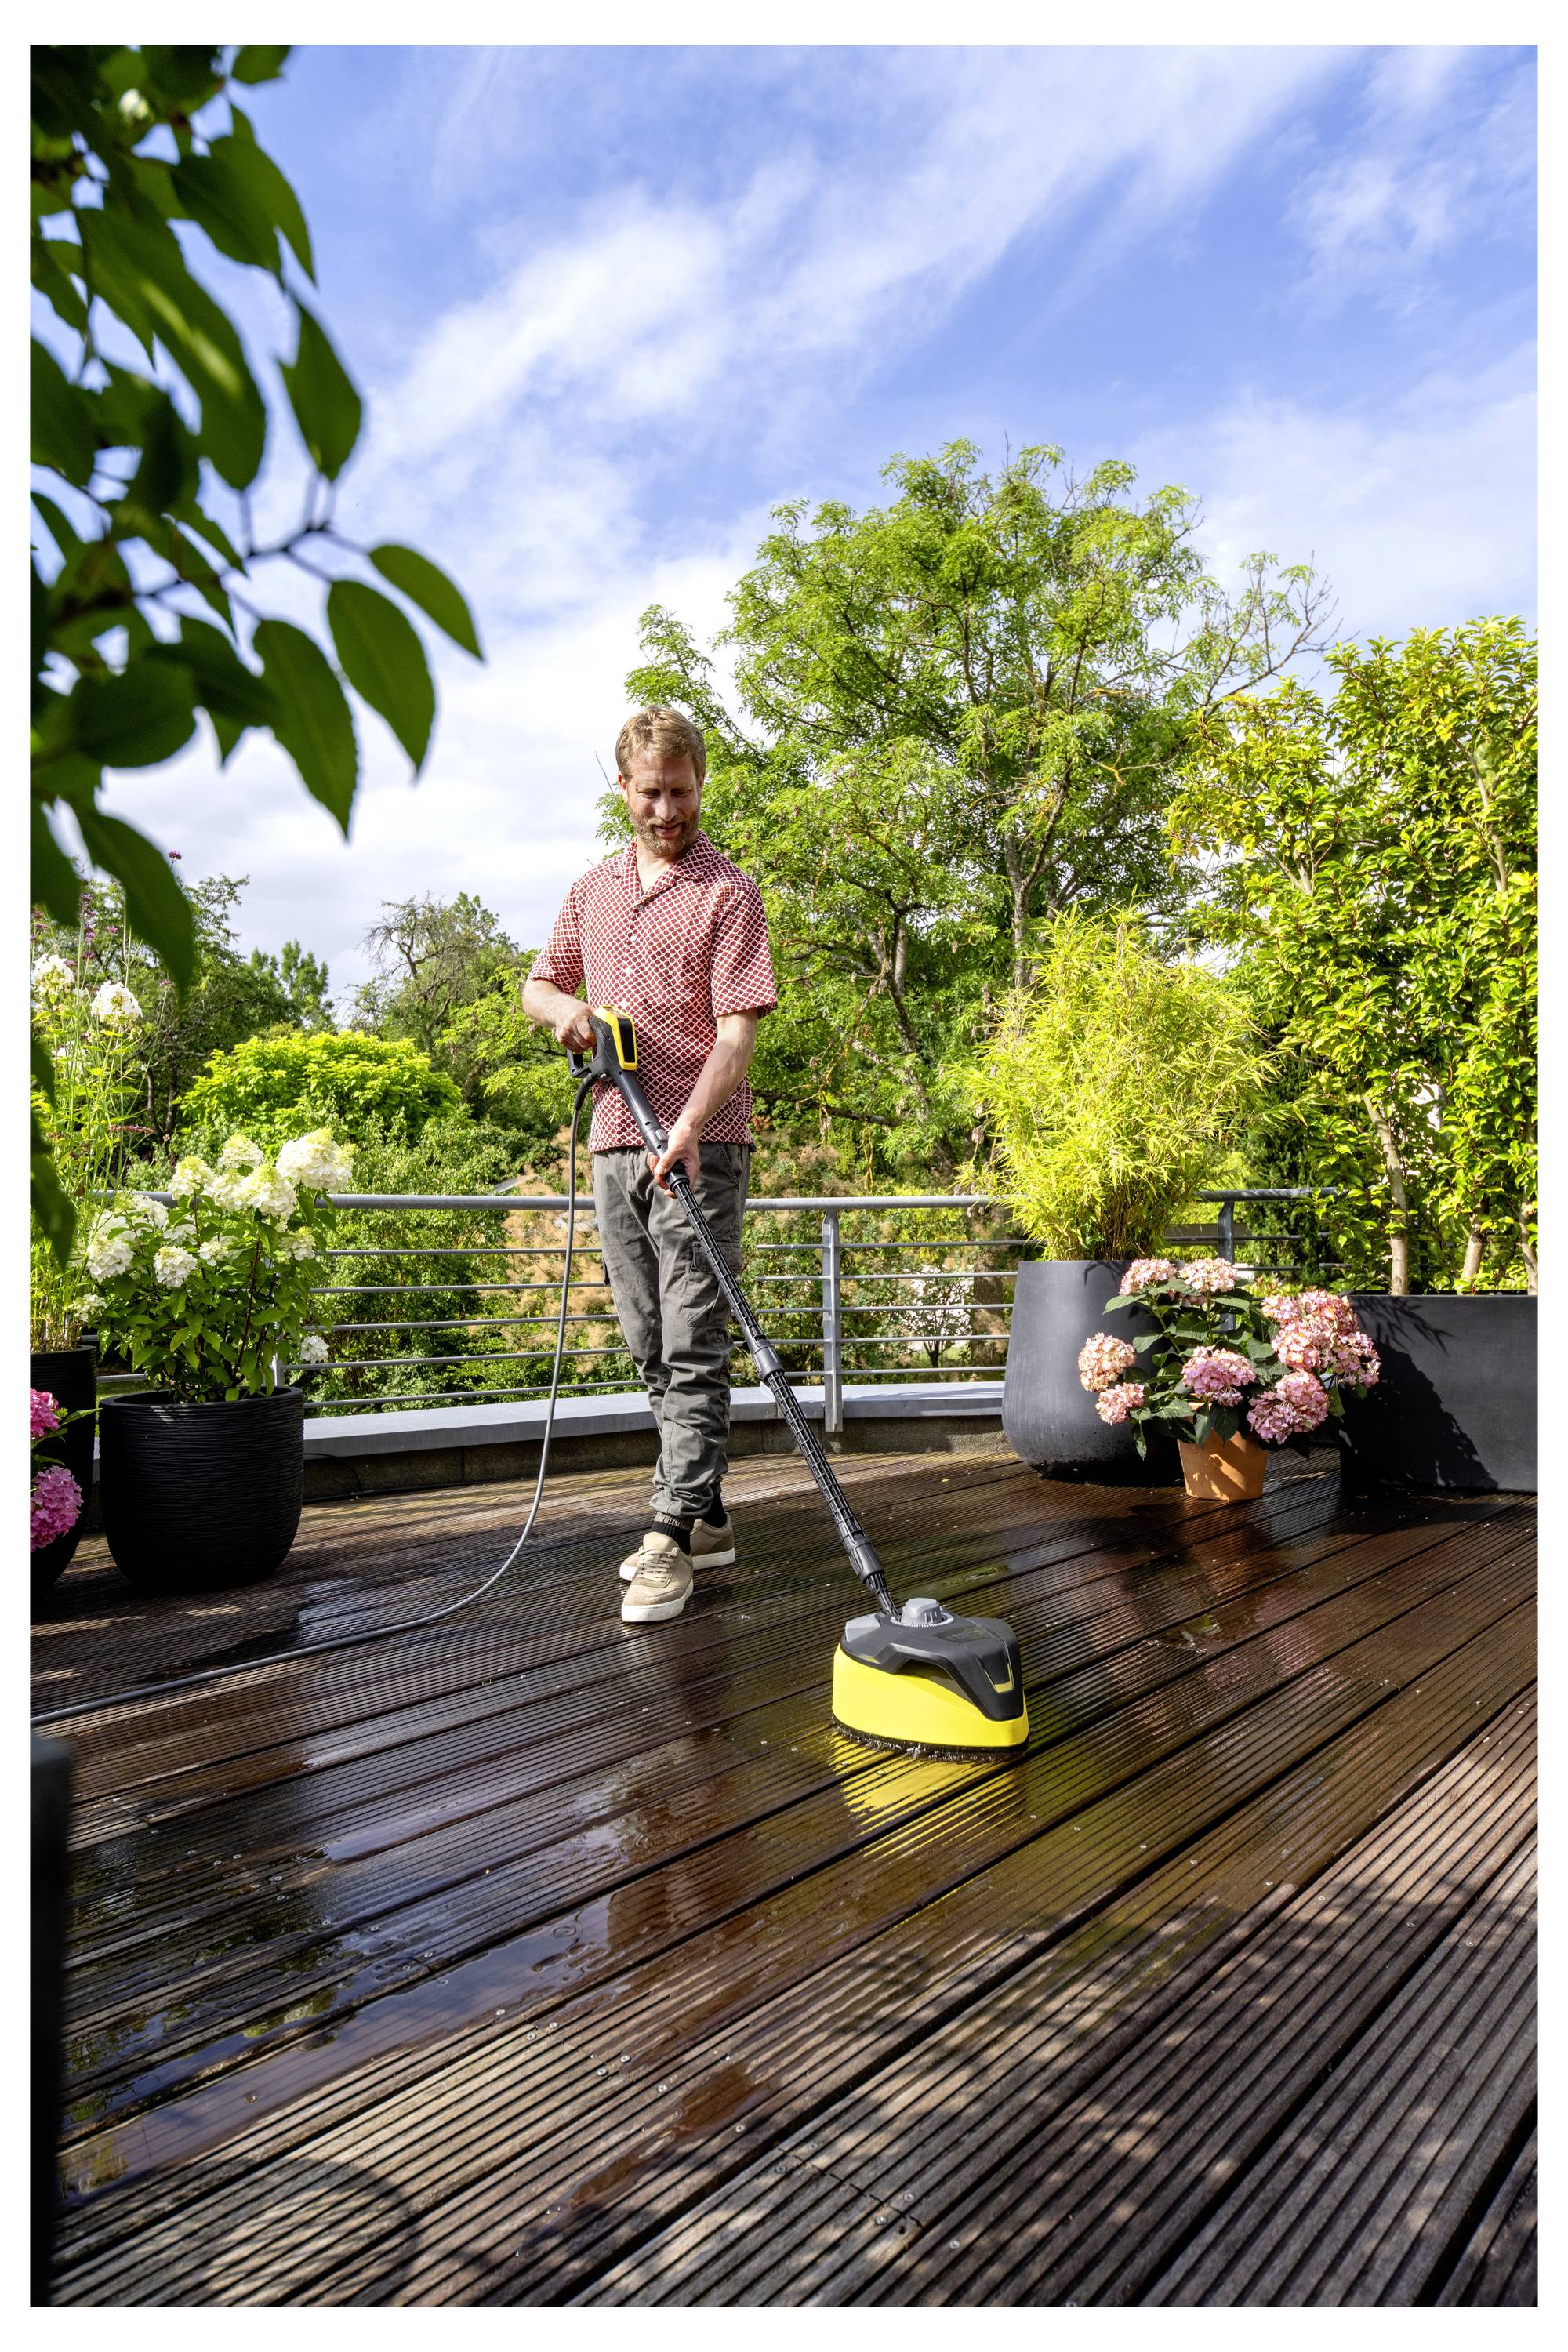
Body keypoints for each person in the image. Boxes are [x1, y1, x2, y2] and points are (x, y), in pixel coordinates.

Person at [521, 706, 777, 1625]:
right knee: (643, 1342)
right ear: (623, 790)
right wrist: (564, 1015)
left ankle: (667, 1536)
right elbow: (539, 980)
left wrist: (692, 1122)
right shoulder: (590, 891)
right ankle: (707, 1515)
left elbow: (738, 1030)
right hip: (613, 1141)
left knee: (692, 1342)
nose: (666, 809)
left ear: (701, 784)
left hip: (700, 1147)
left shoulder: (727, 893)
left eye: (681, 791)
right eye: (650, 792)